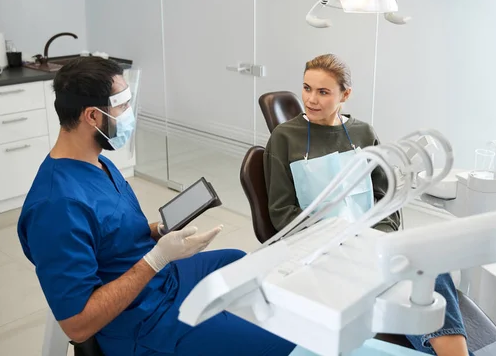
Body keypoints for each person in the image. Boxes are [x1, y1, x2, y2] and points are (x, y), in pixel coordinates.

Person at [17, 57, 296, 356]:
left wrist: (157, 232)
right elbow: (77, 325)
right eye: (122, 106)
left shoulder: (97, 162)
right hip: (143, 323)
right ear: (92, 117)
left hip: (163, 281)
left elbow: (109, 234)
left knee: (242, 264)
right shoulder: (56, 207)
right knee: (288, 340)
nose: (129, 114)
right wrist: (156, 259)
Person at [263, 54, 473, 356]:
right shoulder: (284, 138)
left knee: (428, 266)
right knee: (411, 283)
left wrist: (377, 238)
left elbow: (386, 199)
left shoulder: (363, 133)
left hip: (370, 243)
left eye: (323, 92)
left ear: (345, 95)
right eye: (307, 88)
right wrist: (339, 241)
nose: (311, 99)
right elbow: (282, 215)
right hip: (320, 250)